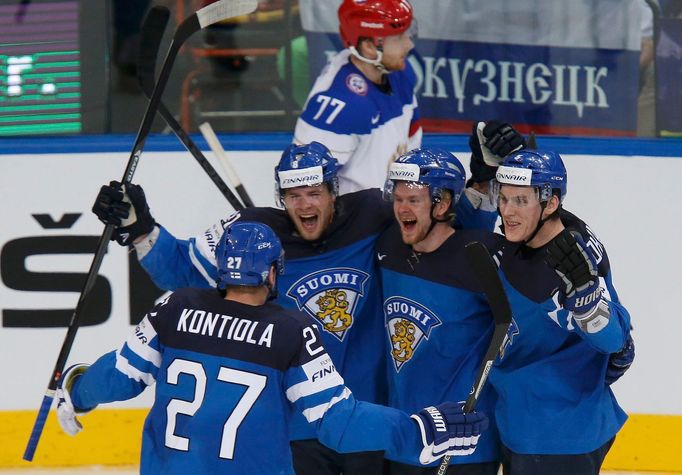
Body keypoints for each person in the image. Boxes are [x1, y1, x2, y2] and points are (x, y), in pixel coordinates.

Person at [91, 131, 522, 473]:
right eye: (293, 195)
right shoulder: (257, 233)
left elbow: (442, 217)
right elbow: (182, 271)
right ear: (281, 197)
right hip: (294, 426)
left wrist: (483, 181)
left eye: (314, 192)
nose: (304, 204)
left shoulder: (374, 212)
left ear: (333, 191)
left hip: (364, 418)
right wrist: (139, 227)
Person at [55, 221, 489, 474]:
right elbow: (338, 422)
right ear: (271, 274)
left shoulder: (175, 307)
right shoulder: (289, 331)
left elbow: (119, 378)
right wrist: (417, 431)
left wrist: (77, 391)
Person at [490, 150, 633, 474]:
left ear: (551, 203)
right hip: (536, 421)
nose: (507, 211)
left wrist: (588, 306)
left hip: (555, 435)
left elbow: (612, 340)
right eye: (504, 198)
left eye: (521, 201)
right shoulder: (570, 230)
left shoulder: (571, 266)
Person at [377, 149, 502, 475]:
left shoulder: (481, 256)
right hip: (404, 437)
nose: (402, 208)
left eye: (413, 200)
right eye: (398, 198)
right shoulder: (387, 247)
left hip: (466, 446)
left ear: (443, 204)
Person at [293, 0, 421, 194]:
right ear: (369, 47)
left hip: (394, 215)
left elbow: (412, 139)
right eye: (398, 38)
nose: (409, 44)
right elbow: (305, 190)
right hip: (354, 222)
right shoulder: (338, 103)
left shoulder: (401, 74)